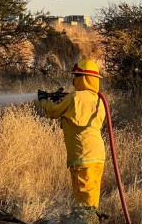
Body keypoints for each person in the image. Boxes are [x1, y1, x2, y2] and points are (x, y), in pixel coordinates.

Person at [39, 58, 106, 209]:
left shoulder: (75, 97)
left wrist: (43, 101)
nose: (74, 80)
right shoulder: (99, 100)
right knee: (92, 197)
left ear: (83, 78)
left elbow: (53, 111)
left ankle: (87, 223)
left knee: (84, 201)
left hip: (82, 155)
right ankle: (92, 221)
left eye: (76, 76)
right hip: (98, 156)